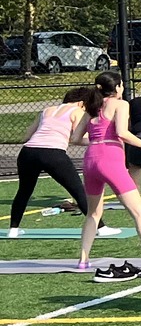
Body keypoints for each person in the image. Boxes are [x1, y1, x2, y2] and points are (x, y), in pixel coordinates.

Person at [74, 75, 141, 276]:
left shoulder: (92, 108)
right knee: (139, 213)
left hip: (90, 160)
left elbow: (75, 138)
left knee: (93, 213)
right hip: (110, 160)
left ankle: (83, 260)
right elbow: (122, 132)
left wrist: (97, 140)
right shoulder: (120, 104)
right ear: (118, 87)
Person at [10, 89, 89, 237]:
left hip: (27, 152)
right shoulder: (78, 111)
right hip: (53, 153)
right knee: (78, 190)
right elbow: (78, 138)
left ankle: (13, 229)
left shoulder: (47, 110)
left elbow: (27, 135)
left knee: (24, 191)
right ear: (81, 103)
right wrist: (98, 141)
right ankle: (101, 228)